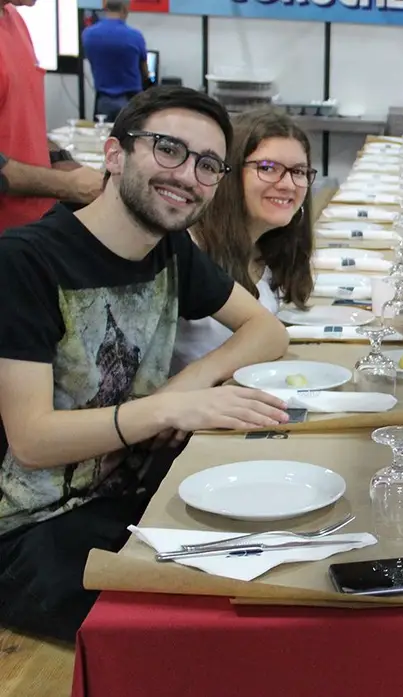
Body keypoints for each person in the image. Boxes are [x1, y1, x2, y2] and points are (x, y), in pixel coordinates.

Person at [0, 86, 292, 643]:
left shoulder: (170, 249)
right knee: (205, 637)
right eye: (168, 149)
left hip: (133, 498)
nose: (187, 175)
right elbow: (32, 440)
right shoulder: (25, 262)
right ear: (114, 155)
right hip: (32, 531)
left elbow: (267, 329)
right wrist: (164, 409)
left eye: (208, 165)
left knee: (281, 567)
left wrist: (189, 381)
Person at [173, 107, 315, 373]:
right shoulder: (191, 248)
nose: (287, 184)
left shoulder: (269, 250)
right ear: (229, 174)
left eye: (299, 171)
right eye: (268, 168)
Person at [0, 0, 104, 232]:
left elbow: (21, 124)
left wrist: (61, 160)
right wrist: (68, 185)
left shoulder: (14, 19)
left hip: (33, 229)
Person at [82, 0, 150, 122]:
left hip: (103, 101)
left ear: (104, 6)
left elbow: (92, 61)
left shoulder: (88, 34)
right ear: (125, 9)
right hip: (131, 102)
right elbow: (145, 72)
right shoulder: (135, 36)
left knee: (104, 137)